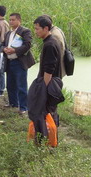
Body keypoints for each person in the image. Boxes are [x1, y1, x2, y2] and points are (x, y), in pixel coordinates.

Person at [28, 16, 64, 144]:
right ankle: (49, 140)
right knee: (49, 113)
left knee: (42, 113)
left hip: (48, 85)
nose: (35, 31)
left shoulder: (50, 44)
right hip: (52, 84)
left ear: (46, 28)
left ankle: (44, 141)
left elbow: (49, 70)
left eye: (37, 29)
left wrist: (43, 90)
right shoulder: (51, 41)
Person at [2, 13, 35, 114]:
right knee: (10, 84)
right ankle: (13, 103)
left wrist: (14, 50)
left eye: (13, 20)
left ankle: (24, 107)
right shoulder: (8, 33)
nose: (11, 22)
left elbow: (27, 45)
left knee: (21, 85)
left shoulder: (25, 31)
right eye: (10, 20)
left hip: (19, 62)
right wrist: (4, 49)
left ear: (19, 20)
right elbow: (1, 45)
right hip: (9, 62)